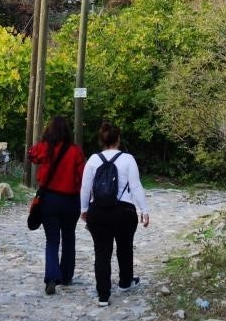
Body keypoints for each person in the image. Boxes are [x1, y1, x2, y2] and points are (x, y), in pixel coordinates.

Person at [79, 121, 150, 307]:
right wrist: (144, 210)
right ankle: (125, 282)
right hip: (124, 212)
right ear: (118, 139)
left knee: (102, 252)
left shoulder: (93, 160)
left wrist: (84, 209)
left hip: (98, 212)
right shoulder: (128, 159)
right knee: (124, 247)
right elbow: (135, 186)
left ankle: (103, 295)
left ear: (101, 140)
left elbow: (85, 187)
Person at [27, 115, 86, 295]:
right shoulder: (75, 151)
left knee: (52, 241)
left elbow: (31, 154)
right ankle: (66, 276)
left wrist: (44, 142)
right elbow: (82, 177)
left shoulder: (45, 148)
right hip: (71, 200)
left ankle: (51, 277)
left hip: (49, 200)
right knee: (69, 237)